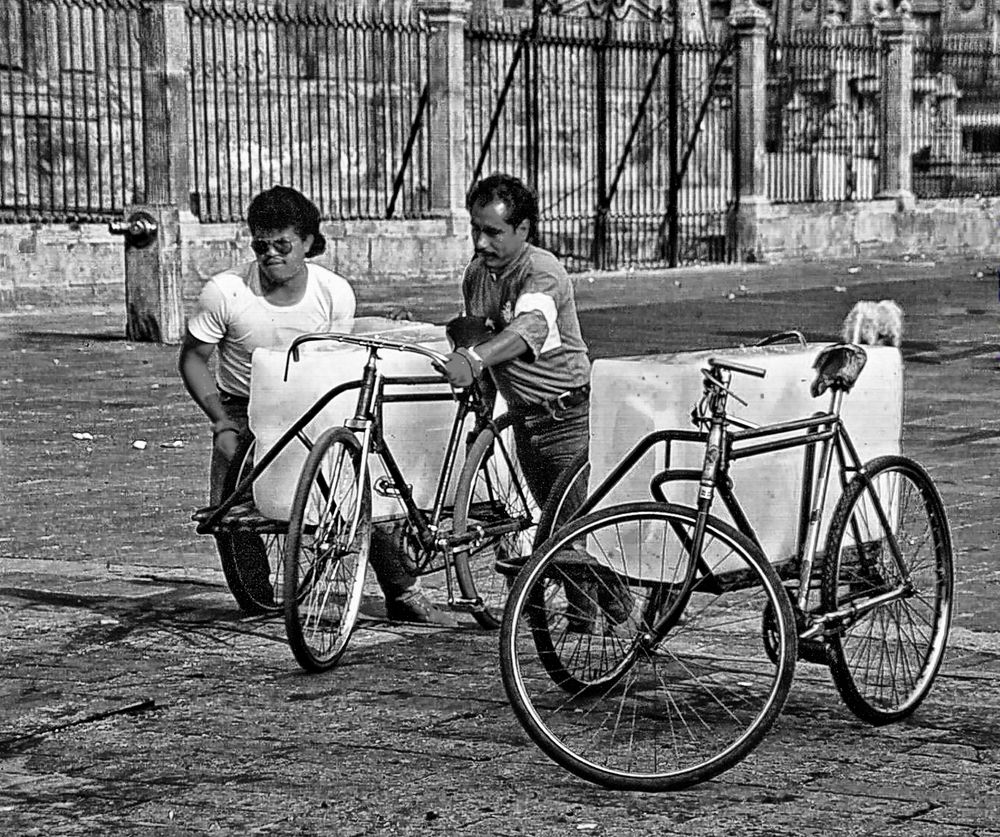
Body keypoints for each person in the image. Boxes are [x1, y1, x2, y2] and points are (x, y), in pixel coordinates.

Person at [179, 185, 449, 624]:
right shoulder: (225, 293)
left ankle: (403, 592)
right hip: (241, 409)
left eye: (282, 245)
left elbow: (335, 359)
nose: (270, 255)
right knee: (228, 515)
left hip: (313, 400)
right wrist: (219, 423)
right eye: (260, 245)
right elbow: (192, 359)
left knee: (364, 489)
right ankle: (257, 598)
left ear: (306, 242)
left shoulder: (333, 292)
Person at [438, 173, 629, 630]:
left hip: (568, 414)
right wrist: (478, 395)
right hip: (524, 418)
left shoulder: (541, 271)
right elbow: (474, 329)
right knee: (557, 521)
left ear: (523, 230)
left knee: (566, 528)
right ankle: (591, 613)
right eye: (475, 230)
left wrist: (476, 359)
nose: (481, 242)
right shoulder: (478, 273)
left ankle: (616, 611)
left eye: (493, 232)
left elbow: (530, 330)